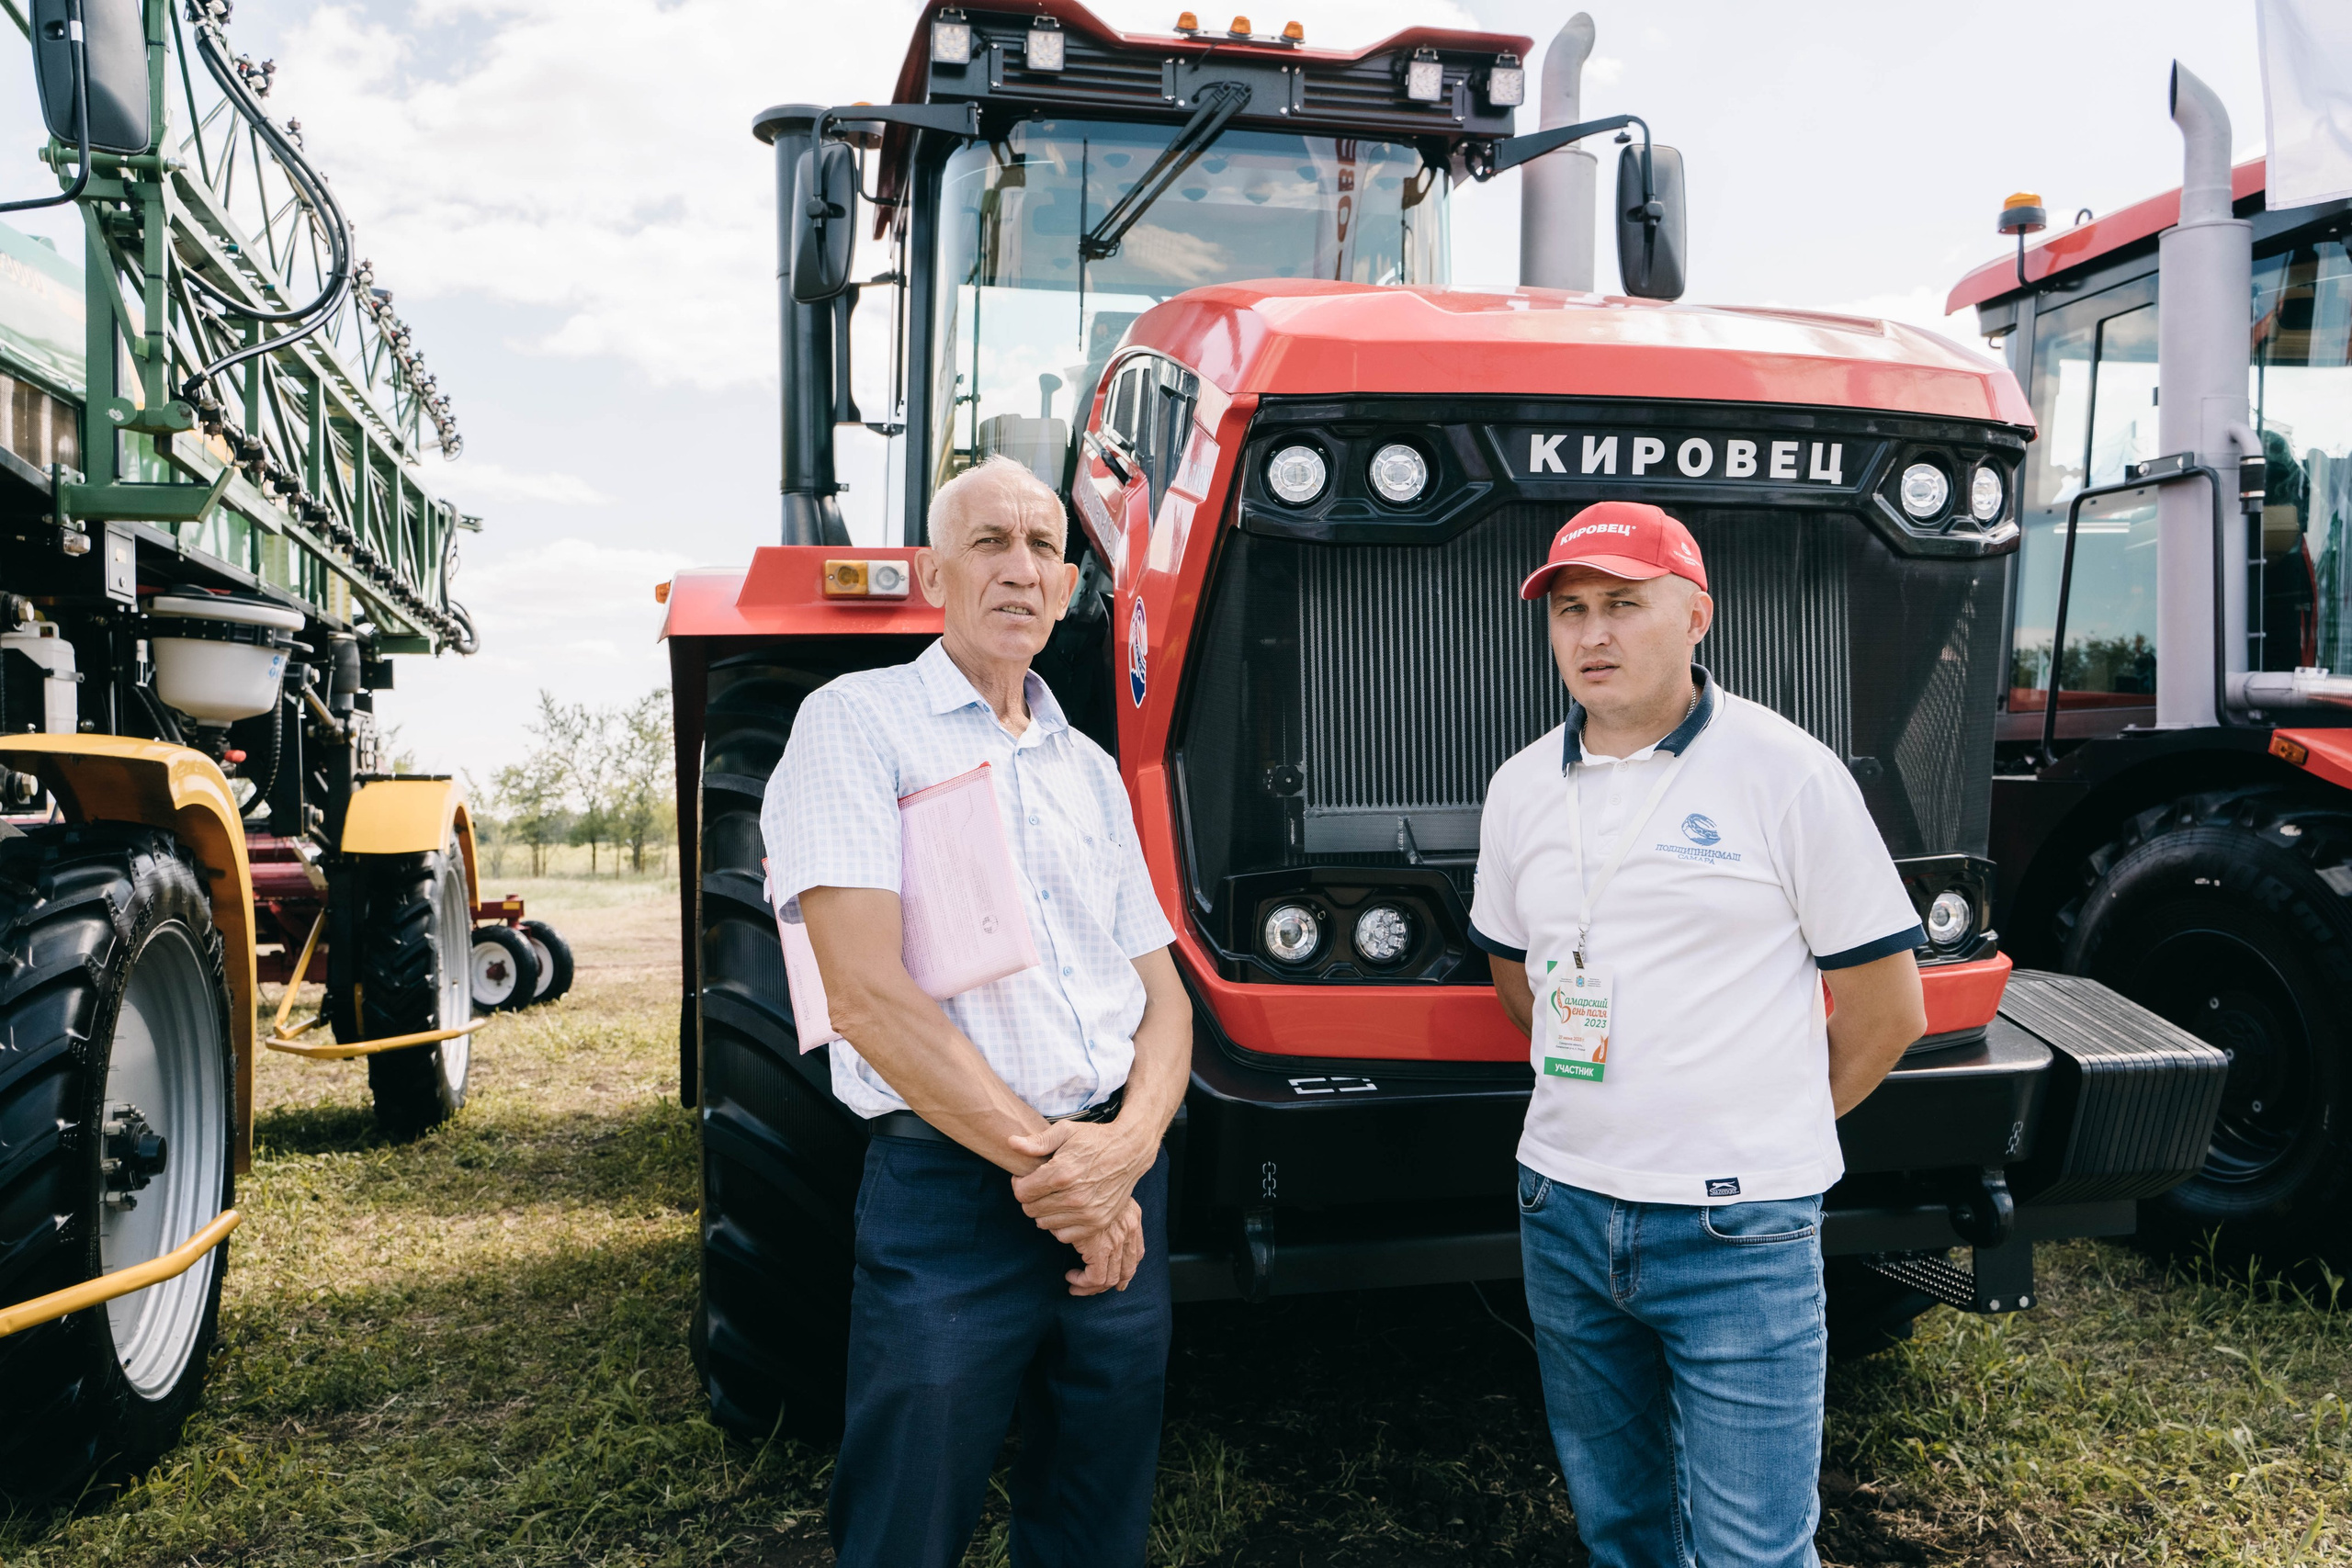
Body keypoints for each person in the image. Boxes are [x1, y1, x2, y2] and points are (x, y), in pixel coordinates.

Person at [1468, 501, 1928, 1568]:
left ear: (1695, 617)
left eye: (1623, 605)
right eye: (1570, 610)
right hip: (1562, 1209)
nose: (1592, 634)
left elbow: (1887, 1010)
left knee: (1752, 1551)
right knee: (1622, 1533)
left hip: (1737, 1232)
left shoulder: (1786, 773)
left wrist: (1755, 1129)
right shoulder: (1520, 787)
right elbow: (1516, 975)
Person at [762, 455, 1192, 1568]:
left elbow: (1162, 997)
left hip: (1115, 1179)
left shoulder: (1089, 768)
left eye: (1043, 547)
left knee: (1096, 1512)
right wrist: (1069, 1181)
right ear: (932, 574)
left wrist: (1125, 1153)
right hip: (953, 1196)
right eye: (989, 543)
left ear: (1068, 588)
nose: (1019, 569)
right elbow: (866, 995)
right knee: (906, 1521)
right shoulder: (856, 725)